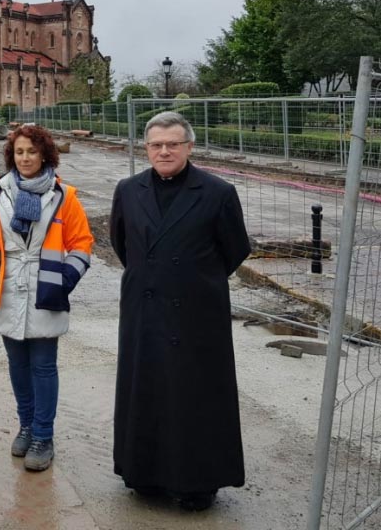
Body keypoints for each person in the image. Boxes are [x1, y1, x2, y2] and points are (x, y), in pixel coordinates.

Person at [109, 111, 251, 511]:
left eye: (173, 144)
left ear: (189, 147)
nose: (164, 151)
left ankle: (197, 483)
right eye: (156, 145)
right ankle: (143, 474)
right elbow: (123, 244)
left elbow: (235, 249)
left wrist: (191, 278)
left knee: (195, 396)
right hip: (145, 309)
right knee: (146, 389)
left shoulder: (218, 192)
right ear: (146, 149)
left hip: (196, 313)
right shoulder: (128, 189)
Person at [0, 124, 94, 472]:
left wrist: (66, 278)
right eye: (19, 152)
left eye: (32, 152)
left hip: (45, 286)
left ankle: (43, 436)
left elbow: (82, 243)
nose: (25, 158)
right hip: (6, 288)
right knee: (17, 364)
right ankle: (25, 425)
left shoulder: (63, 196)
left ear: (44, 155)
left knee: (43, 365)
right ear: (12, 155)